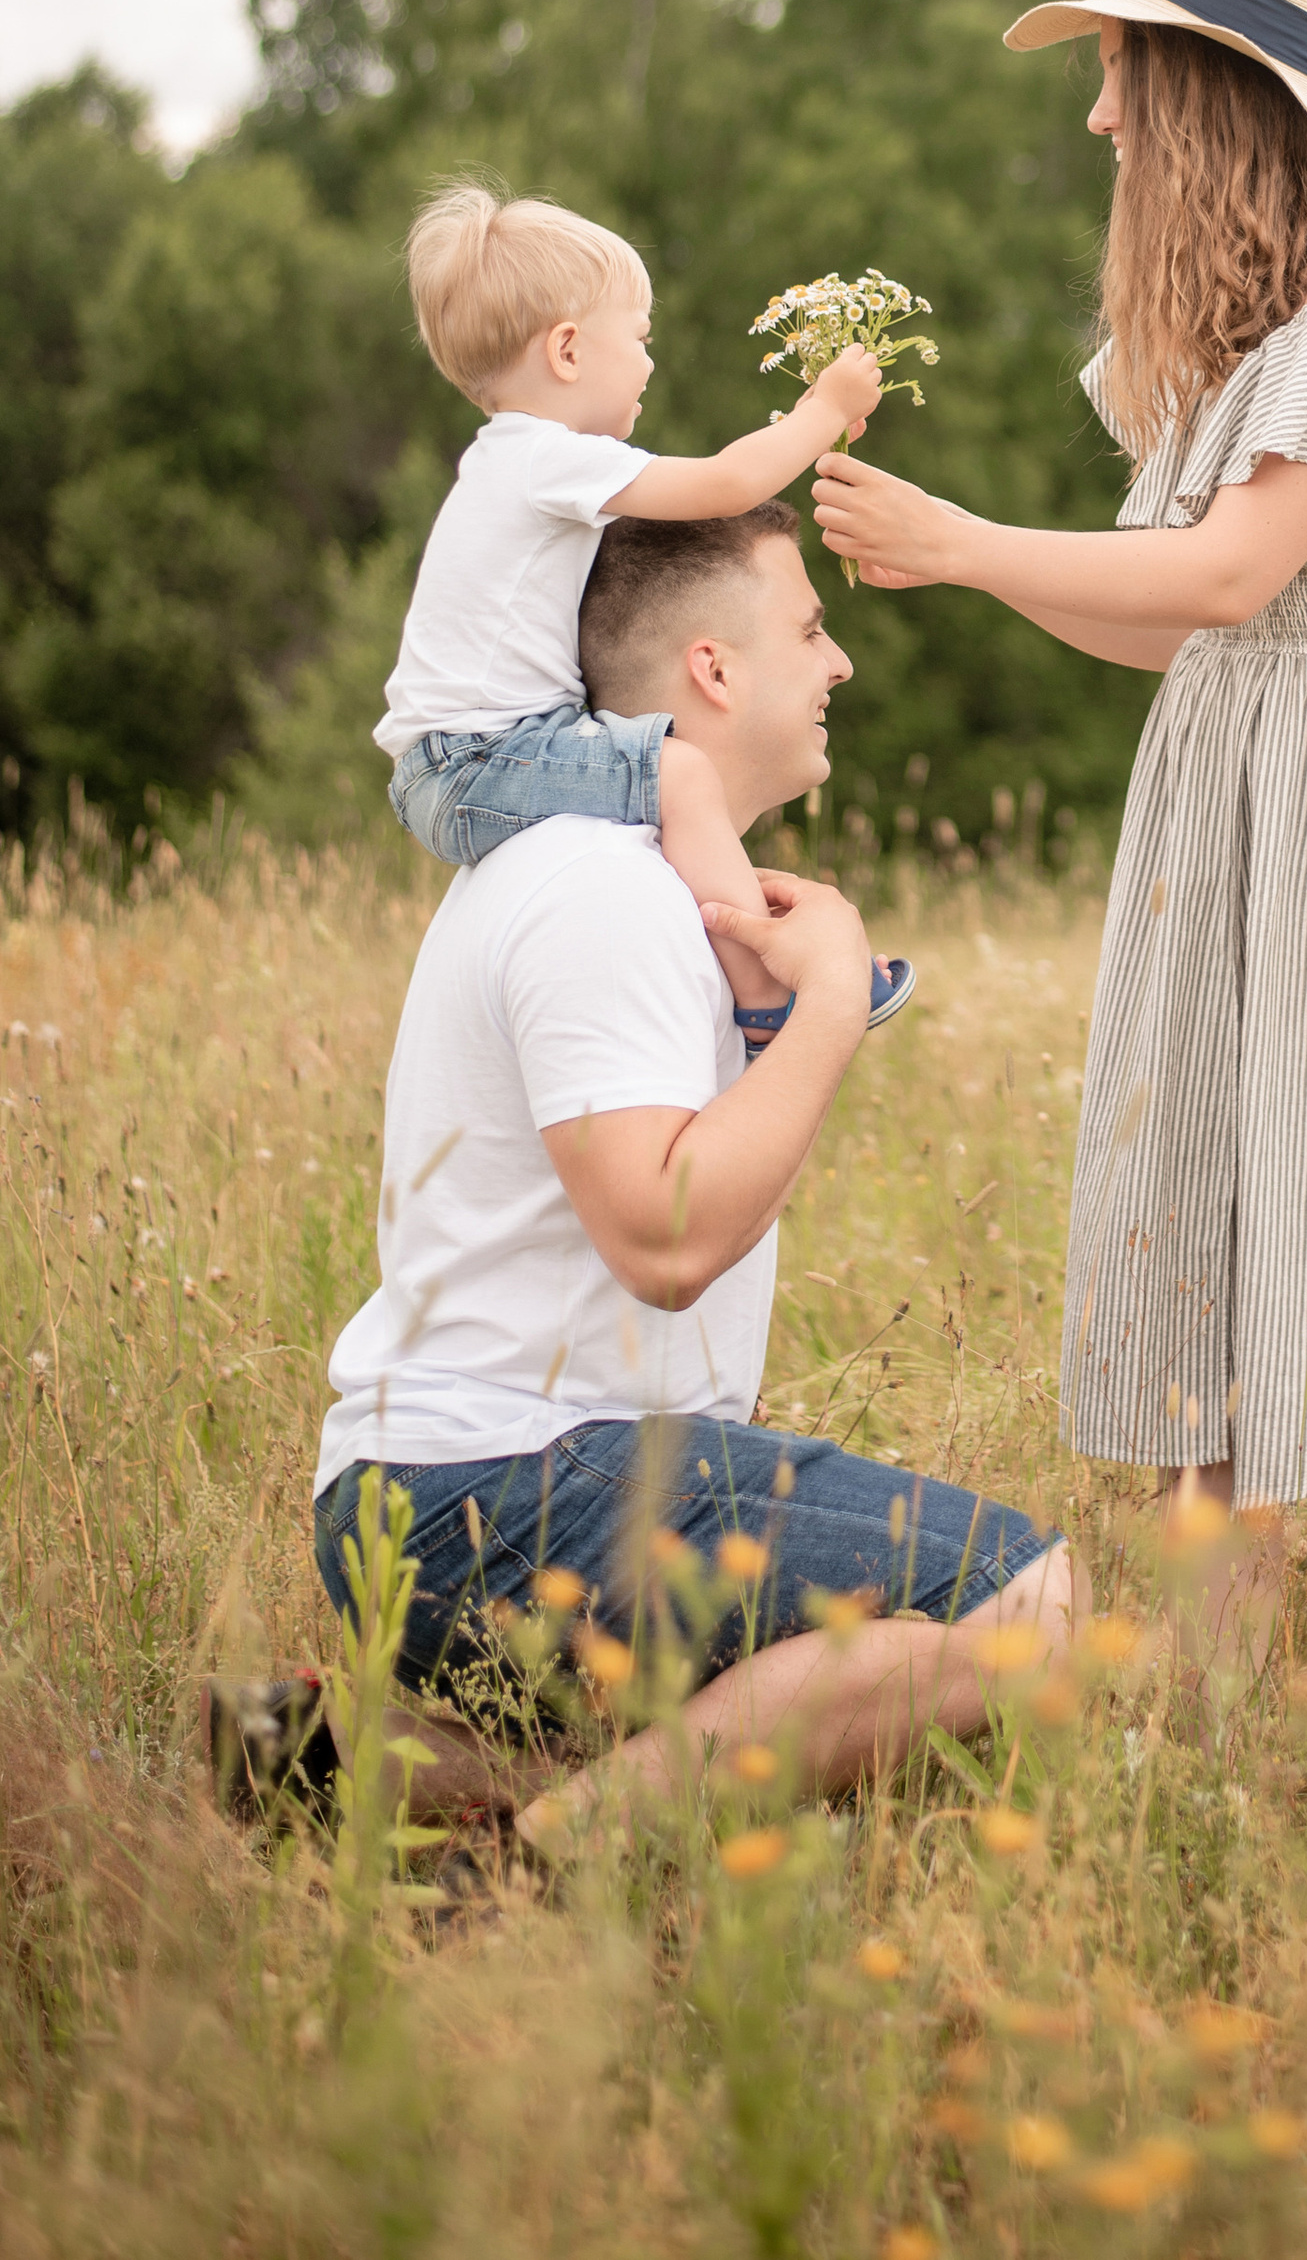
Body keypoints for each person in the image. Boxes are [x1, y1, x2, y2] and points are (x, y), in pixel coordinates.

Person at [814, 0, 1307, 1638]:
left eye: (1123, 71)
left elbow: (1231, 575)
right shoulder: (1233, 316)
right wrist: (974, 561)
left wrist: (967, 538)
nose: (1100, 116)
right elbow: (1180, 626)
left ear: (1217, 81)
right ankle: (1214, 1743)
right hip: (1232, 800)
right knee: (1219, 1237)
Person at [312, 500, 1076, 1825]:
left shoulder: (636, 879)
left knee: (846, 1728)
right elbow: (663, 1239)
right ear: (714, 668)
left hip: (498, 1488)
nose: (840, 663)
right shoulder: (599, 891)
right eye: (812, 627)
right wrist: (831, 1004)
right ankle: (545, 1867)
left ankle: (374, 1765)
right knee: (1020, 1603)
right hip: (492, 1489)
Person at [377, 181, 885, 1033]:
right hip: (474, 760)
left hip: (455, 761)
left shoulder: (515, 464)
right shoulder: (547, 456)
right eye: (641, 339)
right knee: (681, 770)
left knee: (665, 792)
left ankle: (744, 964)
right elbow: (727, 483)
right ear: (569, 351)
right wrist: (822, 409)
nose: (651, 363)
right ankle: (767, 996)